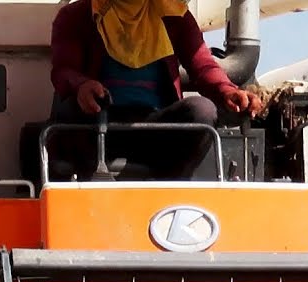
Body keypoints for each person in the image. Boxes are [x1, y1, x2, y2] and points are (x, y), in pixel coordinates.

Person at [49, 0, 264, 180]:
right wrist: (82, 86)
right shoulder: (75, 15)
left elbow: (202, 66)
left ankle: (168, 194)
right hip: (97, 124)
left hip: (155, 125)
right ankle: (87, 196)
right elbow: (64, 71)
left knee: (203, 111)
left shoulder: (176, 15)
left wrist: (227, 90)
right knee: (70, 112)